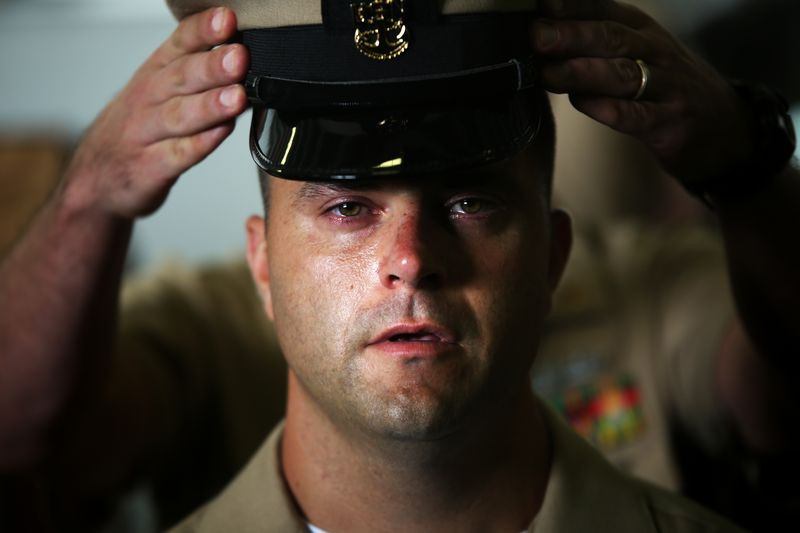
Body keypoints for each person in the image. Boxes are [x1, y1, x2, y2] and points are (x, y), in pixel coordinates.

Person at [0, 0, 796, 531]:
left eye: (469, 202)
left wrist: (749, 160)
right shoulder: (207, 328)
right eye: (348, 206)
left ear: (554, 257)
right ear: (262, 263)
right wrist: (85, 197)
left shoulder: (645, 285)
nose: (411, 261)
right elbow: (33, 435)